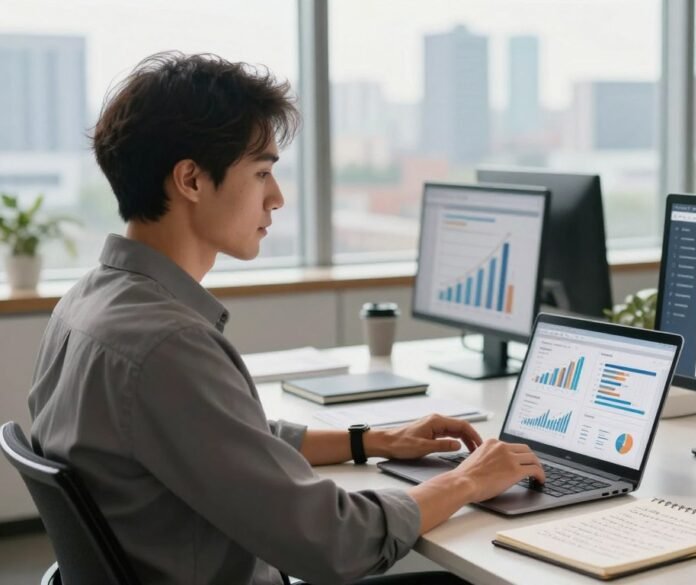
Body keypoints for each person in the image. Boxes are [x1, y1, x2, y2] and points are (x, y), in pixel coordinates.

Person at [27, 52, 545, 585]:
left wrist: (371, 441)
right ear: (191, 180)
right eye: (262, 173)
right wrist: (466, 480)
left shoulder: (86, 303)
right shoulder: (167, 346)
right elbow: (337, 544)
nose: (276, 198)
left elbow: (222, 436)